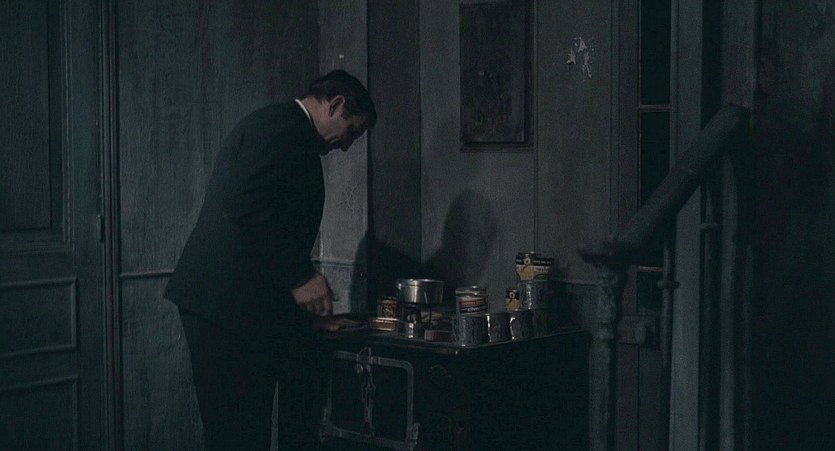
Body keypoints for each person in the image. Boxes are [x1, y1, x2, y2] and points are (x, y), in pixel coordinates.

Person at [163, 69, 376, 450]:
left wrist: (305, 318)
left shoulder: (288, 130)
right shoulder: (282, 128)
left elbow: (268, 232)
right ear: (335, 104)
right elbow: (242, 206)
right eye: (352, 131)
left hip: (235, 308)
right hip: (223, 309)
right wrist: (300, 277)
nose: (347, 146)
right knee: (237, 436)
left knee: (245, 432)